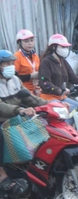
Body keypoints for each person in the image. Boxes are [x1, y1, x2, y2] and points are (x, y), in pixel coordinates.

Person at [0, 49, 48, 196]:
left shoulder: (15, 80)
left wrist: (48, 105)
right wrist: (19, 110)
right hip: (3, 119)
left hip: (16, 118)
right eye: (7, 63)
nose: (11, 66)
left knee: (41, 128)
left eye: (12, 63)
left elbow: (28, 98)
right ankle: (2, 175)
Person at [38, 34, 78, 124]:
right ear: (54, 47)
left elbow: (73, 77)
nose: (65, 49)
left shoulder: (62, 61)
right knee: (66, 111)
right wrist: (59, 90)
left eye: (66, 47)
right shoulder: (46, 62)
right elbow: (45, 83)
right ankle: (65, 133)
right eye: (62, 47)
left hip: (62, 97)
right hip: (49, 98)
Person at [14, 29, 41, 96]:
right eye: (26, 41)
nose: (30, 43)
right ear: (20, 43)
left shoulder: (35, 55)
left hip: (37, 89)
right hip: (24, 91)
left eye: (32, 40)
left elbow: (40, 72)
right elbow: (14, 78)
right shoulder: (17, 56)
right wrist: (30, 76)